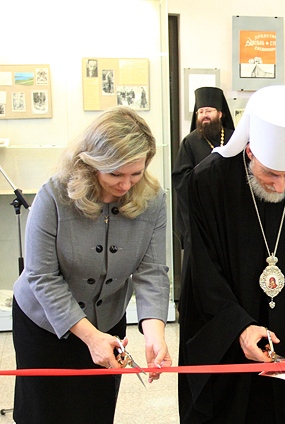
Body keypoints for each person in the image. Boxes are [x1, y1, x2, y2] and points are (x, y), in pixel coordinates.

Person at [178, 85, 285, 423]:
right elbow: (204, 272)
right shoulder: (208, 182)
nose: (280, 186)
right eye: (271, 173)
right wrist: (240, 327)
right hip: (228, 334)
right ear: (250, 152)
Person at [12, 106, 172, 424]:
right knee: (44, 413)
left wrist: (155, 334)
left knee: (95, 410)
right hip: (43, 324)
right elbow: (41, 276)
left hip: (108, 321)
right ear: (92, 162)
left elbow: (152, 271)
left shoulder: (154, 200)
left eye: (136, 174)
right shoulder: (54, 196)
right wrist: (90, 337)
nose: (126, 185)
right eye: (115, 174)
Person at [172, 86, 234, 299]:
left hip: (231, 218)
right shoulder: (190, 142)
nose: (204, 115)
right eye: (200, 112)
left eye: (209, 111)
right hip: (200, 218)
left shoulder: (235, 139)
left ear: (220, 113)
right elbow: (181, 178)